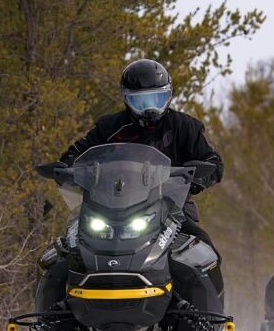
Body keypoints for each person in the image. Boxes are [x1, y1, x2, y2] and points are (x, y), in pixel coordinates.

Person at [37, 59, 225, 314]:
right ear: (126, 99)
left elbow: (213, 161)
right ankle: (55, 316)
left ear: (168, 97)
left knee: (203, 249)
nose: (150, 109)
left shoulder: (185, 127)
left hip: (171, 210)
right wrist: (67, 169)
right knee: (65, 251)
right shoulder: (109, 128)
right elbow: (77, 153)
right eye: (141, 101)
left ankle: (209, 318)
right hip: (108, 209)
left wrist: (200, 175)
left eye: (157, 99)